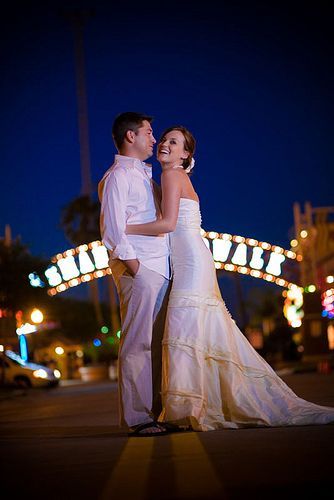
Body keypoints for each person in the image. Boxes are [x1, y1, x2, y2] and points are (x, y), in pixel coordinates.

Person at [125, 125, 334, 431]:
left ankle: (188, 408)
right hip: (192, 260)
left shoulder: (171, 175)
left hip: (191, 263)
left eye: (174, 142)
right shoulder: (172, 177)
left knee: (186, 329)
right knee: (195, 330)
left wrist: (126, 228)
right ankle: (193, 405)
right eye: (165, 139)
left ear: (185, 154)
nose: (165, 144)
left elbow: (168, 223)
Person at [98, 112, 172, 437]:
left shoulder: (143, 176)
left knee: (155, 345)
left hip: (157, 267)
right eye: (149, 132)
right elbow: (113, 232)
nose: (153, 140)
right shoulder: (118, 176)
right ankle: (137, 418)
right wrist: (138, 271)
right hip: (140, 270)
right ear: (131, 136)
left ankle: (155, 413)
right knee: (138, 343)